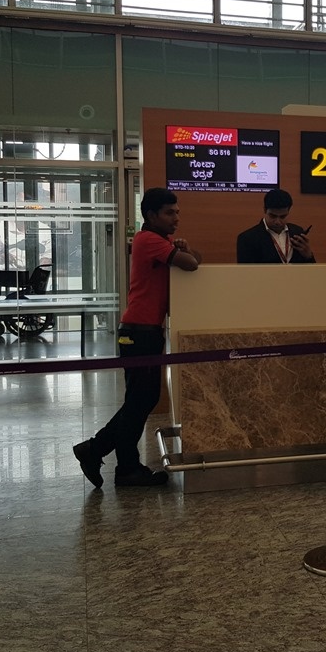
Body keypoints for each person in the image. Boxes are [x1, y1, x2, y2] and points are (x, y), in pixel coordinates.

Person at [73, 187, 201, 488]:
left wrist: (185, 248)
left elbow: (196, 258)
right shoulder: (148, 240)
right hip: (138, 332)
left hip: (147, 331)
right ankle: (114, 460)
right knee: (140, 401)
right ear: (151, 215)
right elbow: (191, 264)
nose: (176, 218)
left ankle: (105, 455)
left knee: (142, 399)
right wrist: (184, 252)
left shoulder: (159, 242)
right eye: (169, 213)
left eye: (177, 212)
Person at [236, 189, 314, 264]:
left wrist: (309, 256)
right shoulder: (247, 239)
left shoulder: (297, 232)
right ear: (265, 210)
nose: (277, 222)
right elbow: (245, 271)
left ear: (288, 212)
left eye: (283, 217)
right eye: (273, 216)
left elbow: (310, 269)